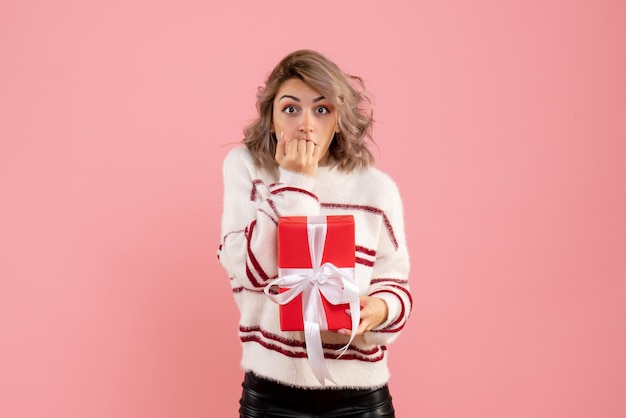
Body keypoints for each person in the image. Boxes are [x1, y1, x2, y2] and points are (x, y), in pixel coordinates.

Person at [217, 49, 412, 418]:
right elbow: (253, 271)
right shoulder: (246, 168)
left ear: (338, 120)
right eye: (291, 109)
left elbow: (395, 283)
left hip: (359, 395)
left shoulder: (376, 188)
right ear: (272, 119)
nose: (305, 124)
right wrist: (295, 182)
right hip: (272, 394)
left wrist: (380, 309)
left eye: (321, 110)